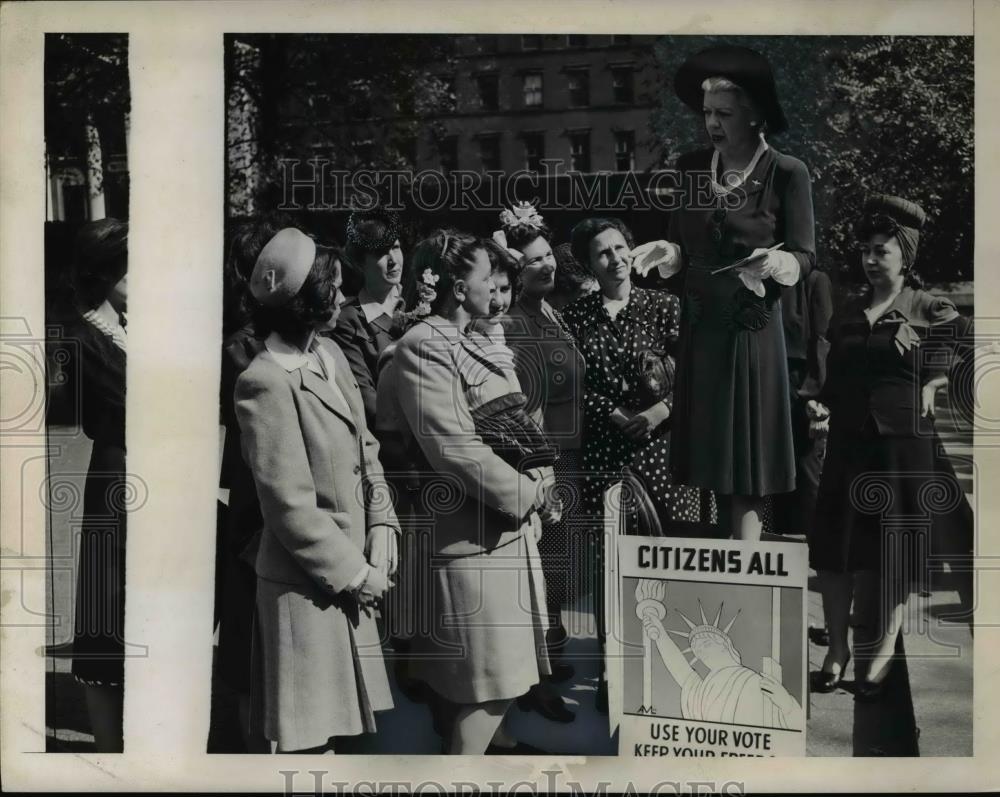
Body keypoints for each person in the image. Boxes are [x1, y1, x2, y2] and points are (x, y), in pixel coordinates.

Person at [393, 229, 559, 754]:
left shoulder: (478, 338)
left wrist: (542, 478)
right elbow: (454, 449)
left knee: (486, 681)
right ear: (456, 286)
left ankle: (499, 752)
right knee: (488, 685)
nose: (498, 287)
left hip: (500, 534)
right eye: (487, 277)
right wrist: (529, 493)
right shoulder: (424, 344)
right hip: (468, 538)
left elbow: (513, 424)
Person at [235, 227, 399, 753]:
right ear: (300, 303)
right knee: (310, 746)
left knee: (350, 735)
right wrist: (354, 574)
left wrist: (381, 523)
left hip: (352, 574)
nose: (341, 294)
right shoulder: (265, 380)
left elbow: (365, 449)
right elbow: (287, 505)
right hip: (306, 588)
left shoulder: (327, 353)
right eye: (329, 287)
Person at [807, 195, 973, 699]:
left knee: (894, 555)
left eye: (882, 251)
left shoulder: (927, 306)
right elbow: (833, 375)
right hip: (847, 447)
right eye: (866, 251)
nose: (871, 259)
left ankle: (879, 655)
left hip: (902, 448)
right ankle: (837, 649)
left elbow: (960, 343)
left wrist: (932, 380)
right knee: (833, 554)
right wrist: (820, 406)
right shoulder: (848, 309)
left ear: (905, 256)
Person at [648, 44, 816, 541]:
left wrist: (780, 262)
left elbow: (807, 256)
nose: (712, 124)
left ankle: (744, 569)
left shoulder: (787, 172)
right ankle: (713, 563)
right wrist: (670, 254)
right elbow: (683, 243)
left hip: (749, 329)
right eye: (707, 113)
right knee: (706, 455)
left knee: (744, 463)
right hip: (701, 327)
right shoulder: (692, 168)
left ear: (755, 115)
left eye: (724, 113)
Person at [563, 217, 708, 712]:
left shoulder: (664, 306)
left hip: (663, 456)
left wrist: (659, 412)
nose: (615, 258)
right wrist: (616, 413)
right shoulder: (576, 316)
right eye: (602, 252)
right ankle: (614, 671)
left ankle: (670, 675)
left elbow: (693, 369)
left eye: (621, 248)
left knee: (663, 563)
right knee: (612, 567)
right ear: (589, 263)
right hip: (607, 455)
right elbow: (575, 384)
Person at [495, 205, 586, 724]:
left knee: (553, 568)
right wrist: (541, 466)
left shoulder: (549, 310)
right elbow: (522, 404)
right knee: (535, 571)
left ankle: (548, 659)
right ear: (515, 270)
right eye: (532, 262)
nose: (546, 266)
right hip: (541, 457)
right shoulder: (513, 321)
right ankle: (534, 682)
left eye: (548, 255)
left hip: (565, 452)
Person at [63, 218, 128, 752]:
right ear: (108, 272)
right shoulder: (84, 337)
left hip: (153, 474)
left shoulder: (136, 327)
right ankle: (110, 753)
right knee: (108, 604)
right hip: (117, 478)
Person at [328, 206, 406, 429]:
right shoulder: (348, 319)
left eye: (396, 247)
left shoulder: (420, 300)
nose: (393, 260)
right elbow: (367, 400)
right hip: (393, 437)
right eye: (380, 253)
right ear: (361, 262)